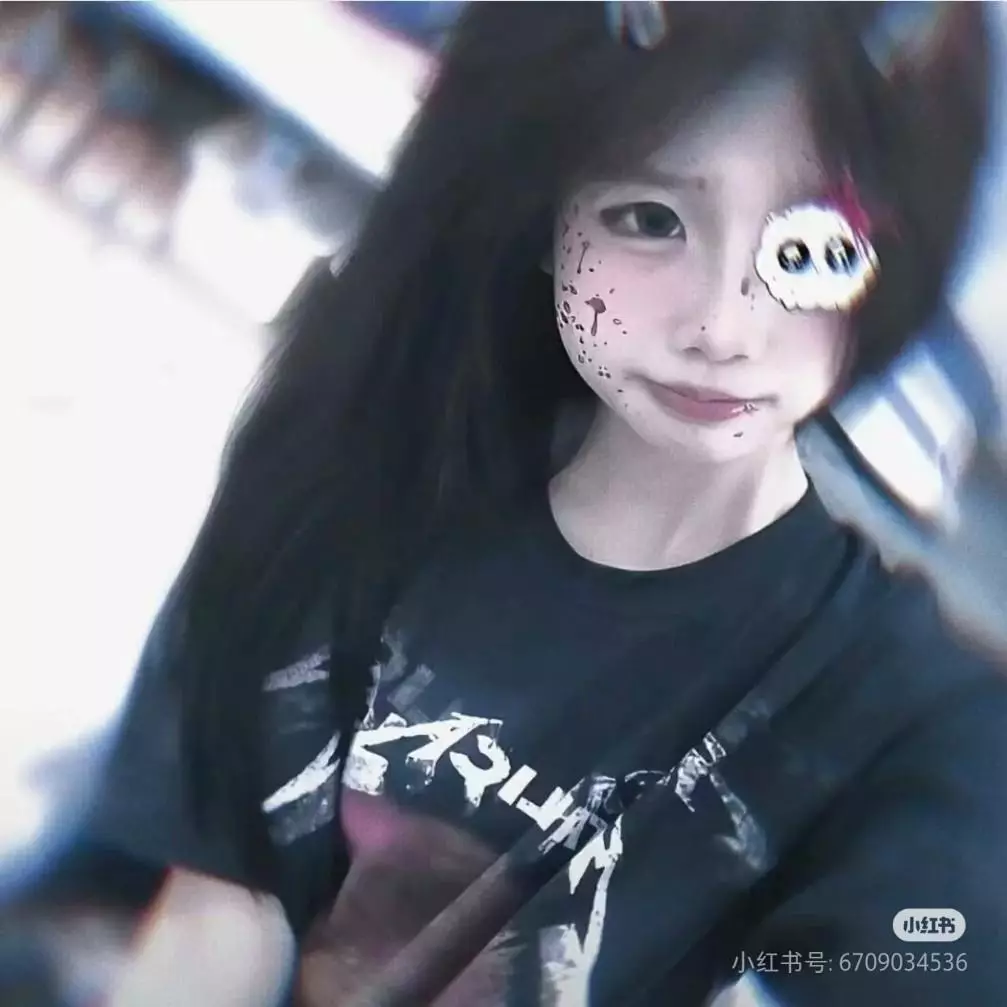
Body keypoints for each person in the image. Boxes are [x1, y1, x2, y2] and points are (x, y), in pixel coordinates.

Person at [82, 4, 1006, 1006]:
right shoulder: (363, 470)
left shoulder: (903, 722)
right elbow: (219, 907)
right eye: (650, 219)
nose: (722, 324)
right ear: (547, 195)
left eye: (812, 248)